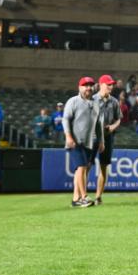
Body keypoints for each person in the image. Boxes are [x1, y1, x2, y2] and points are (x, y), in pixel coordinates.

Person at [62, 76, 102, 208]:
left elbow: (98, 124)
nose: (88, 88)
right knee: (82, 167)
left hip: (88, 142)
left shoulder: (95, 103)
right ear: (79, 87)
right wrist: (68, 137)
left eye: (90, 85)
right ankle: (84, 196)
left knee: (81, 169)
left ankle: (76, 199)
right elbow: (65, 119)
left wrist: (101, 140)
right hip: (74, 141)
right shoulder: (72, 101)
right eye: (85, 85)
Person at [93, 74, 122, 205]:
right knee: (86, 166)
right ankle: (83, 195)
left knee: (104, 167)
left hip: (108, 136)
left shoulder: (114, 101)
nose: (111, 86)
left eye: (112, 84)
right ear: (101, 85)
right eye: (108, 84)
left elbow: (119, 119)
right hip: (92, 137)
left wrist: (113, 127)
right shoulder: (92, 100)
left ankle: (98, 197)